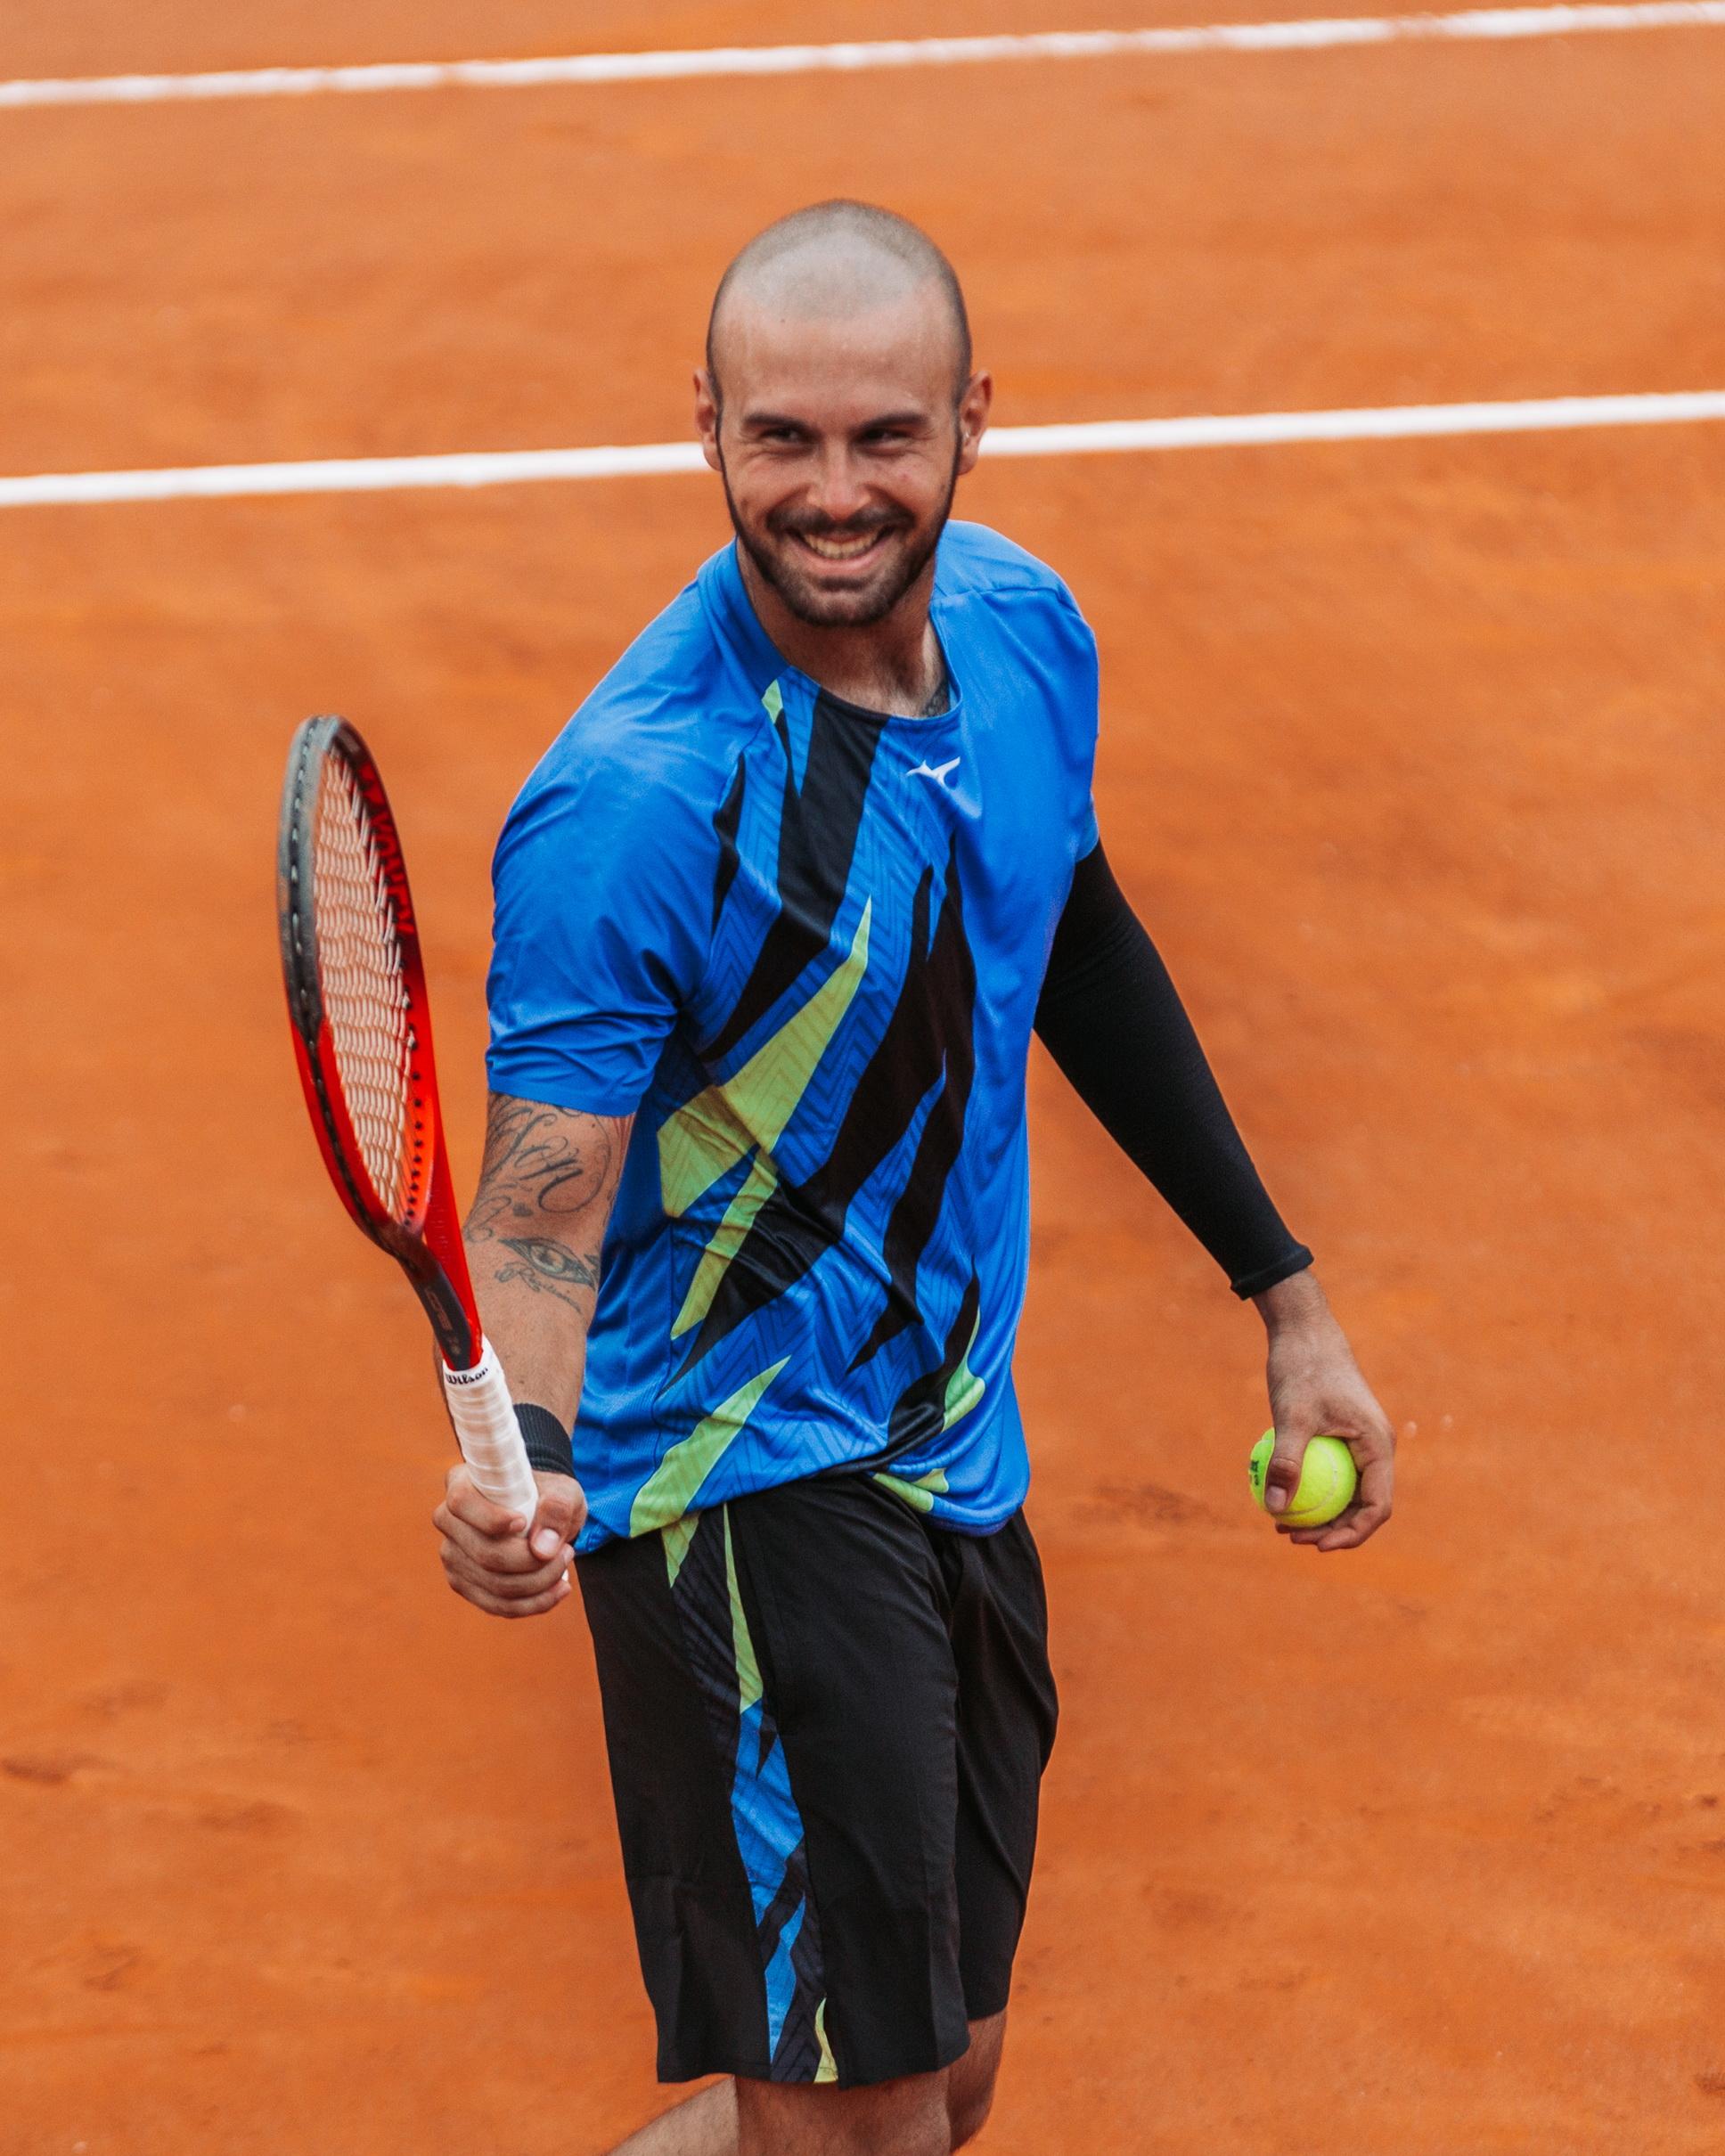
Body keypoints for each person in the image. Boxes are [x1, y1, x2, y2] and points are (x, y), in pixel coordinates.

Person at [431, 200, 1395, 2156]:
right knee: (860, 2125)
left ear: (972, 420)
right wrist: (517, 1447)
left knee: (942, 2079)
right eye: (780, 437)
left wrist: (1282, 1292)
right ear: (705, 426)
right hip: (734, 1485)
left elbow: (1068, 931)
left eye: (884, 434)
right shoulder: (639, 799)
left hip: (950, 1440)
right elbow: (541, 1200)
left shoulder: (1025, 636)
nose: (832, 491)